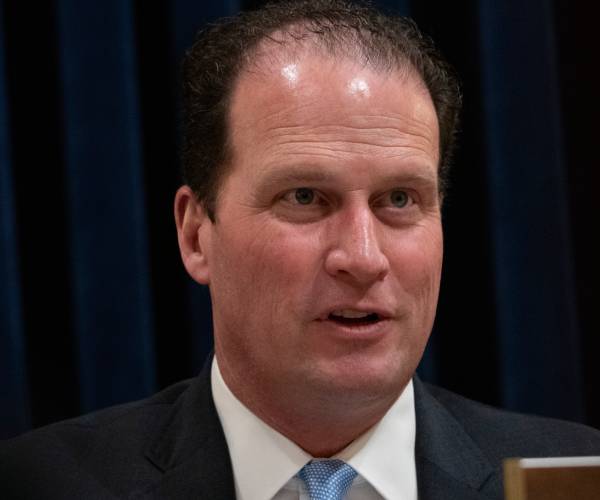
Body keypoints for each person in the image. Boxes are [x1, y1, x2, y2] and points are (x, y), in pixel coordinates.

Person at [2, 1, 599, 499]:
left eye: (398, 199)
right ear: (195, 234)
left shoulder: (576, 477)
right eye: (305, 197)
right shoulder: (36, 483)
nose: (362, 257)